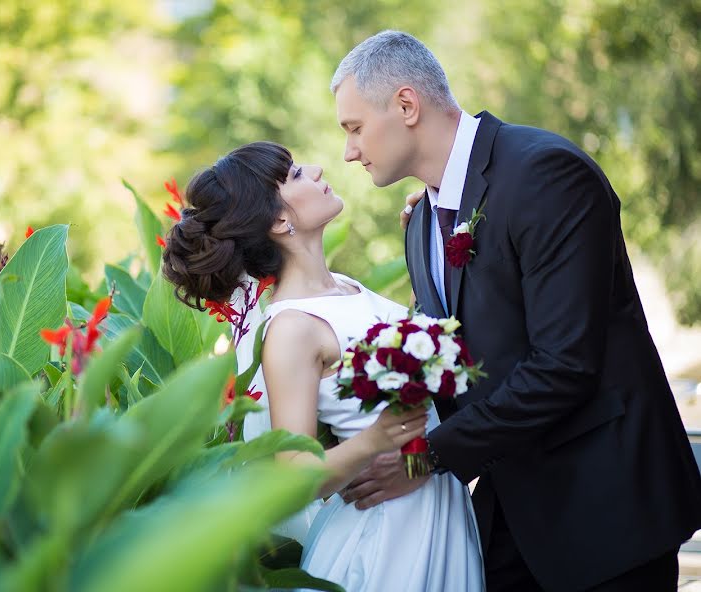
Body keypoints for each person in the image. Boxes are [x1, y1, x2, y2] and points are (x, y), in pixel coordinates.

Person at [332, 30, 701, 592]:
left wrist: (424, 458)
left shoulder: (546, 175)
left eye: (354, 128)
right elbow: (453, 360)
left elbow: (564, 365)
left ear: (406, 105)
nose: (349, 151)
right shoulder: (421, 223)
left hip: (607, 509)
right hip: (514, 509)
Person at [162, 141, 484, 591]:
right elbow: (293, 473)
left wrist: (426, 238)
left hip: (434, 505)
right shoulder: (292, 327)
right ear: (278, 220)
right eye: (294, 175)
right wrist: (374, 440)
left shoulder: (347, 288)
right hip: (385, 535)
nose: (314, 170)